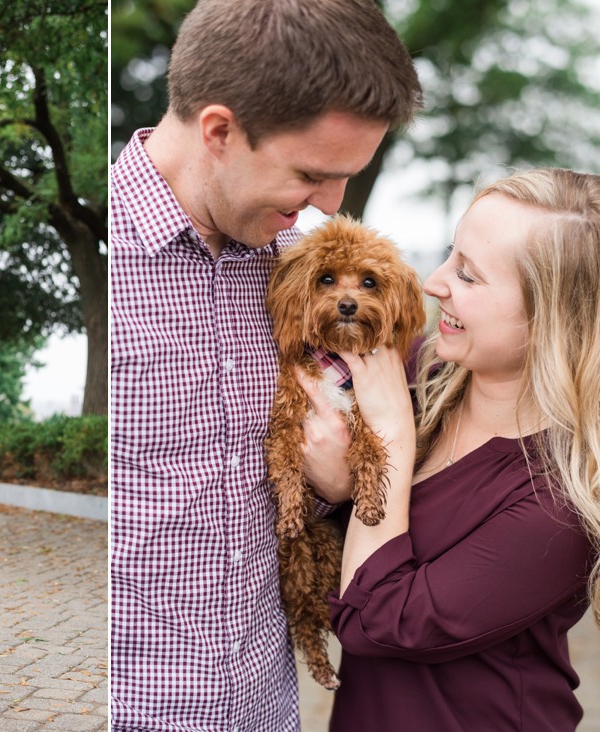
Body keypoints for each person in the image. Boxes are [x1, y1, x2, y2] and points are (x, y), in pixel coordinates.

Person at [109, 0, 422, 728]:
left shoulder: (301, 273)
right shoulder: (115, 257)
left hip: (266, 706)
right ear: (218, 130)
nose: (329, 205)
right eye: (312, 173)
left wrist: (340, 485)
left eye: (348, 177)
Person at [328, 169, 599, 731]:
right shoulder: (422, 374)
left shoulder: (558, 506)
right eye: (452, 254)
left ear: (551, 318)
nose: (433, 282)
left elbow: (373, 620)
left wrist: (388, 437)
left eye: (470, 277)